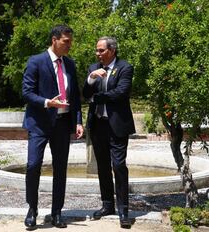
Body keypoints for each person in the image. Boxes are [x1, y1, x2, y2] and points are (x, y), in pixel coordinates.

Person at [22, 25, 84, 229]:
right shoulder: (35, 61)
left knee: (60, 169)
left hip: (63, 124)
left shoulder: (71, 64)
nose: (69, 45)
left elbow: (75, 96)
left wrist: (78, 121)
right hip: (39, 123)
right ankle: (32, 209)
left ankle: (57, 212)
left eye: (70, 41)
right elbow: (27, 93)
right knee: (33, 165)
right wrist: (48, 102)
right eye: (66, 41)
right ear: (54, 40)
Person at [83, 36, 135, 228]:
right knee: (102, 166)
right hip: (97, 125)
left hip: (117, 125)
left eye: (101, 50)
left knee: (119, 165)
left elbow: (122, 92)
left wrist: (98, 98)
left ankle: (123, 209)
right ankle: (107, 205)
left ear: (112, 50)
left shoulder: (124, 67)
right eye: (96, 50)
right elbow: (85, 94)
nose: (98, 54)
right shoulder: (93, 68)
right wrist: (91, 79)